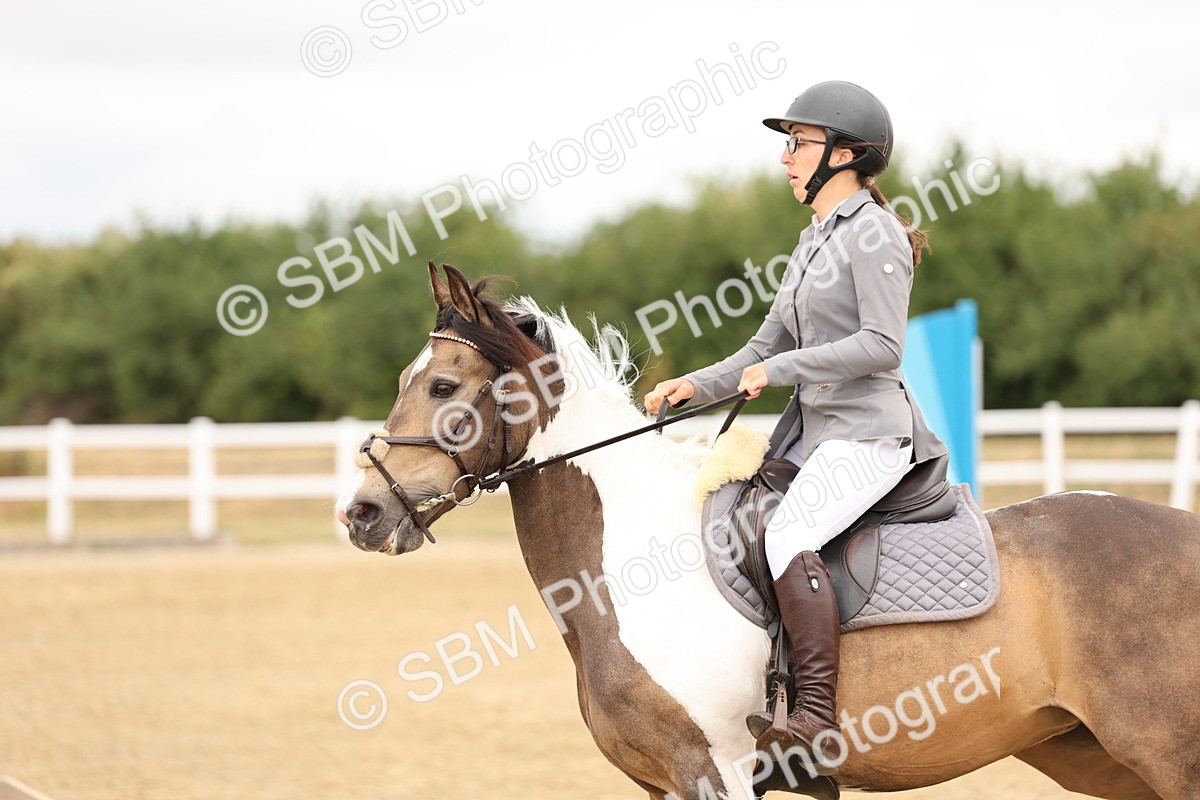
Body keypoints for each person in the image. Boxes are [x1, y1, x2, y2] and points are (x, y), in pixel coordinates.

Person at [643, 80, 949, 773]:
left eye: (798, 142)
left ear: (846, 154)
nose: (785, 158)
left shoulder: (874, 232)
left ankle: (812, 715)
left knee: (787, 533)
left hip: (869, 437)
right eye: (788, 144)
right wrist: (695, 383)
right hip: (814, 438)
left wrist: (786, 368)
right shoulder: (815, 239)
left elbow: (883, 344)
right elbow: (760, 350)